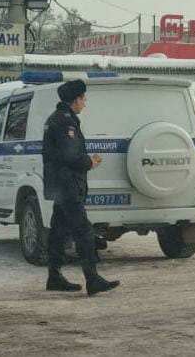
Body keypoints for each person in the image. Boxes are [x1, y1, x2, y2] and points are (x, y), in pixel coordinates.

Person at [42, 79, 120, 296]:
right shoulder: (66, 122)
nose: (85, 103)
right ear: (76, 100)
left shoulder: (55, 119)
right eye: (83, 99)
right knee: (83, 231)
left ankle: (54, 275)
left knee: (58, 229)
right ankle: (92, 278)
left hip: (60, 184)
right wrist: (89, 162)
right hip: (68, 185)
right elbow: (70, 155)